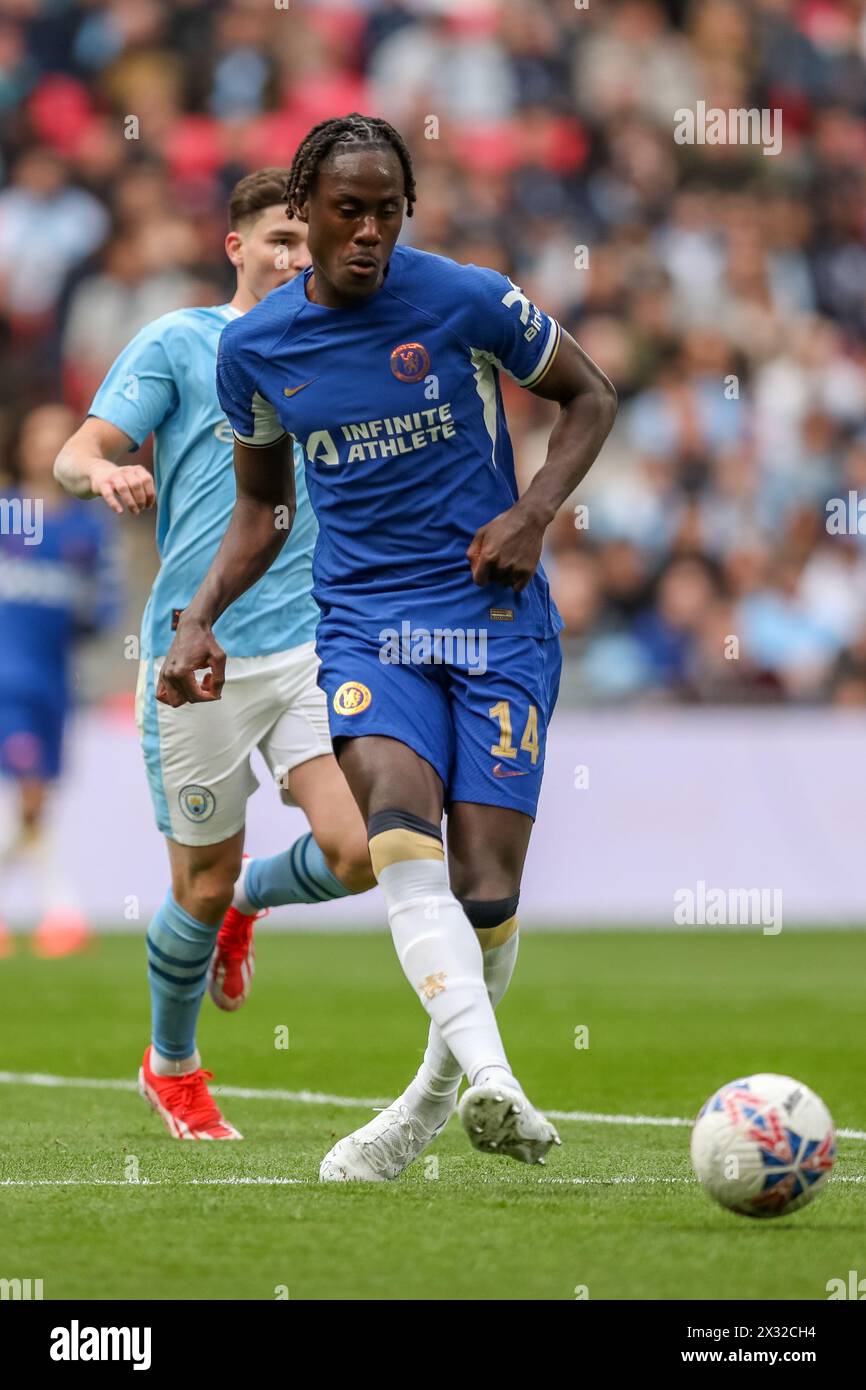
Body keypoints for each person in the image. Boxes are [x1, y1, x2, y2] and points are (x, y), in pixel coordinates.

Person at [159, 115, 617, 1177]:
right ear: (304, 212)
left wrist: (534, 510)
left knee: (488, 891)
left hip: (492, 615)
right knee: (399, 833)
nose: (368, 232)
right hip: (368, 623)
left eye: (386, 212)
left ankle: (421, 1107)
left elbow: (589, 394)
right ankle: (496, 1081)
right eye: (347, 212)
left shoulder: (463, 297)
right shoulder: (255, 349)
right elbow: (263, 512)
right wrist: (197, 614)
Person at [54, 168, 375, 1141]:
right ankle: (173, 1063)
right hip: (197, 658)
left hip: (313, 647)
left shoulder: (348, 351)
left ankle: (248, 903)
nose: (292, 254)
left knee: (360, 849)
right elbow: (78, 447)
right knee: (192, 881)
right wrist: (103, 469)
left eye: (304, 237)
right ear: (234, 247)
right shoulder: (181, 344)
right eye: (275, 238)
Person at [0, 403, 119, 958]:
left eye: (57, 436)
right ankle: (61, 909)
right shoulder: (7, 514)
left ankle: (55, 911)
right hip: (7, 681)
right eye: (37, 435)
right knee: (26, 797)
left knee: (36, 801)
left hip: (53, 686)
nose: (47, 447)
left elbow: (99, 613)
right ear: (21, 445)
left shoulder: (84, 529)